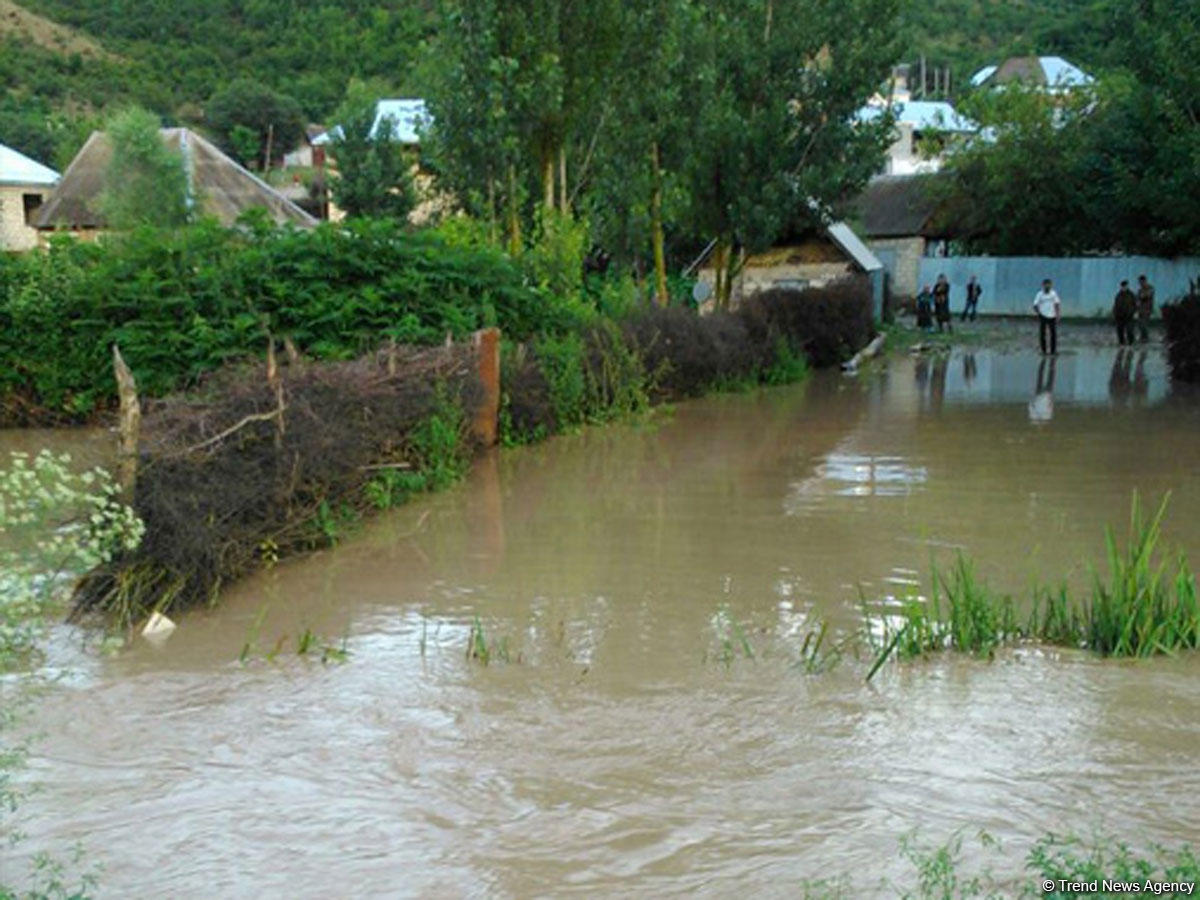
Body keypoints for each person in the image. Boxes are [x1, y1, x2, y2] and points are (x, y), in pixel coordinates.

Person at [1032, 278, 1061, 355]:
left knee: (1053, 334)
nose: (1047, 286)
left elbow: (1057, 304)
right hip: (1043, 316)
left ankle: (1053, 351)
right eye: (1046, 285)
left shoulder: (1053, 294)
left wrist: (1058, 315)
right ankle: (1043, 350)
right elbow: (1035, 305)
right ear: (1043, 285)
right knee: (1042, 334)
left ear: (1051, 285)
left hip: (1052, 315)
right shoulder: (1039, 294)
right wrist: (1039, 313)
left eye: (1049, 285)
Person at [1112, 279, 1137, 346]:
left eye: (1125, 286)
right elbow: (1116, 305)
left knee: (1129, 330)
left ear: (1127, 286)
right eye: (1123, 286)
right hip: (1120, 316)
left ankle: (1131, 343)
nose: (1124, 288)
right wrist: (1115, 314)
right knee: (1120, 330)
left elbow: (1135, 304)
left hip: (1129, 316)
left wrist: (1134, 312)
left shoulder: (1131, 295)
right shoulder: (1118, 295)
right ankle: (1122, 343)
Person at [1136, 274, 1155, 343]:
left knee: (1144, 324)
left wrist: (1141, 296)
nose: (1140, 284)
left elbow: (1145, 296)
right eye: (1139, 282)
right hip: (1140, 309)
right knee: (1140, 324)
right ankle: (1142, 337)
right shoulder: (1140, 290)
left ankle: (1145, 338)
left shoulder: (1150, 288)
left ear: (1144, 281)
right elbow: (1138, 299)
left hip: (1147, 309)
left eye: (1141, 282)